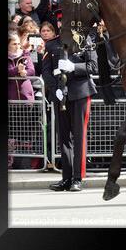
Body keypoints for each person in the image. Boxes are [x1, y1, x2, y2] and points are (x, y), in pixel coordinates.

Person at [44, 31, 98, 192]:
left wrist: (74, 67)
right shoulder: (52, 44)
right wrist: (55, 89)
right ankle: (66, 178)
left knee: (79, 137)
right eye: (61, 22)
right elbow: (46, 71)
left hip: (80, 92)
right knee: (63, 137)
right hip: (60, 94)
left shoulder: (85, 40)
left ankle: (77, 178)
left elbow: (93, 66)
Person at [8, 31, 35, 101]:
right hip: (10, 98)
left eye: (18, 44)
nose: (17, 46)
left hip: (26, 97)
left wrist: (25, 72)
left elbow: (31, 70)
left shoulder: (25, 54)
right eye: (14, 44)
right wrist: (17, 69)